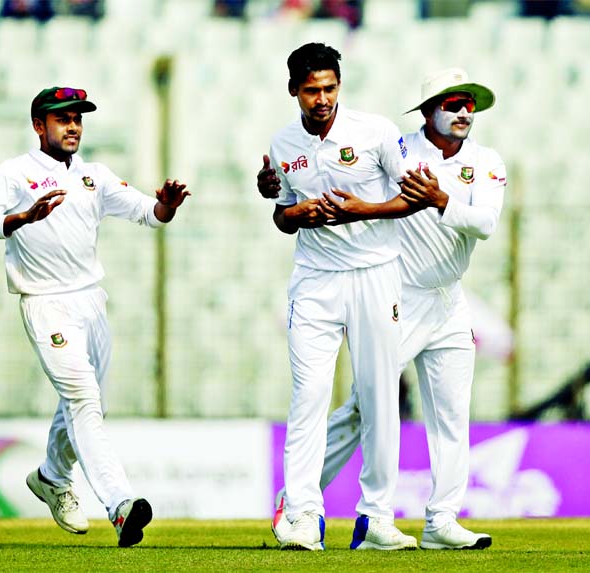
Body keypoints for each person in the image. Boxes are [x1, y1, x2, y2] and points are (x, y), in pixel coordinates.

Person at [258, 67, 506, 550]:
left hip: (450, 297)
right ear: (429, 108)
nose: (463, 112)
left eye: (469, 105)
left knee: (453, 412)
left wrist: (440, 199)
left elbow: (485, 223)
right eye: (453, 103)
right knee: (364, 407)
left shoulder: (488, 161)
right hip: (399, 291)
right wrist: (280, 186)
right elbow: (315, 182)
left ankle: (442, 519)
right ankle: (298, 502)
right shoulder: (400, 148)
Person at [0, 86, 191, 547]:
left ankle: (51, 476)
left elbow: (149, 214)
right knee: (84, 400)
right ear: (38, 125)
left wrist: (166, 204)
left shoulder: (95, 176)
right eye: (62, 118)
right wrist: (20, 219)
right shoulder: (14, 174)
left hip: (91, 301)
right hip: (46, 302)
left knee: (87, 404)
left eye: (77, 119)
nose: (72, 127)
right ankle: (120, 505)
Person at [265, 42, 417, 551]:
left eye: (329, 88)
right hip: (314, 281)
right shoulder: (283, 144)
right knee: (308, 398)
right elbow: (282, 215)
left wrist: (362, 211)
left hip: (375, 275)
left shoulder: (375, 132)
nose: (322, 99)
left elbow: (412, 198)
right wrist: (295, 213)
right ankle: (304, 514)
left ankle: (375, 518)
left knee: (378, 398)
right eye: (311, 91)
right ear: (294, 91)